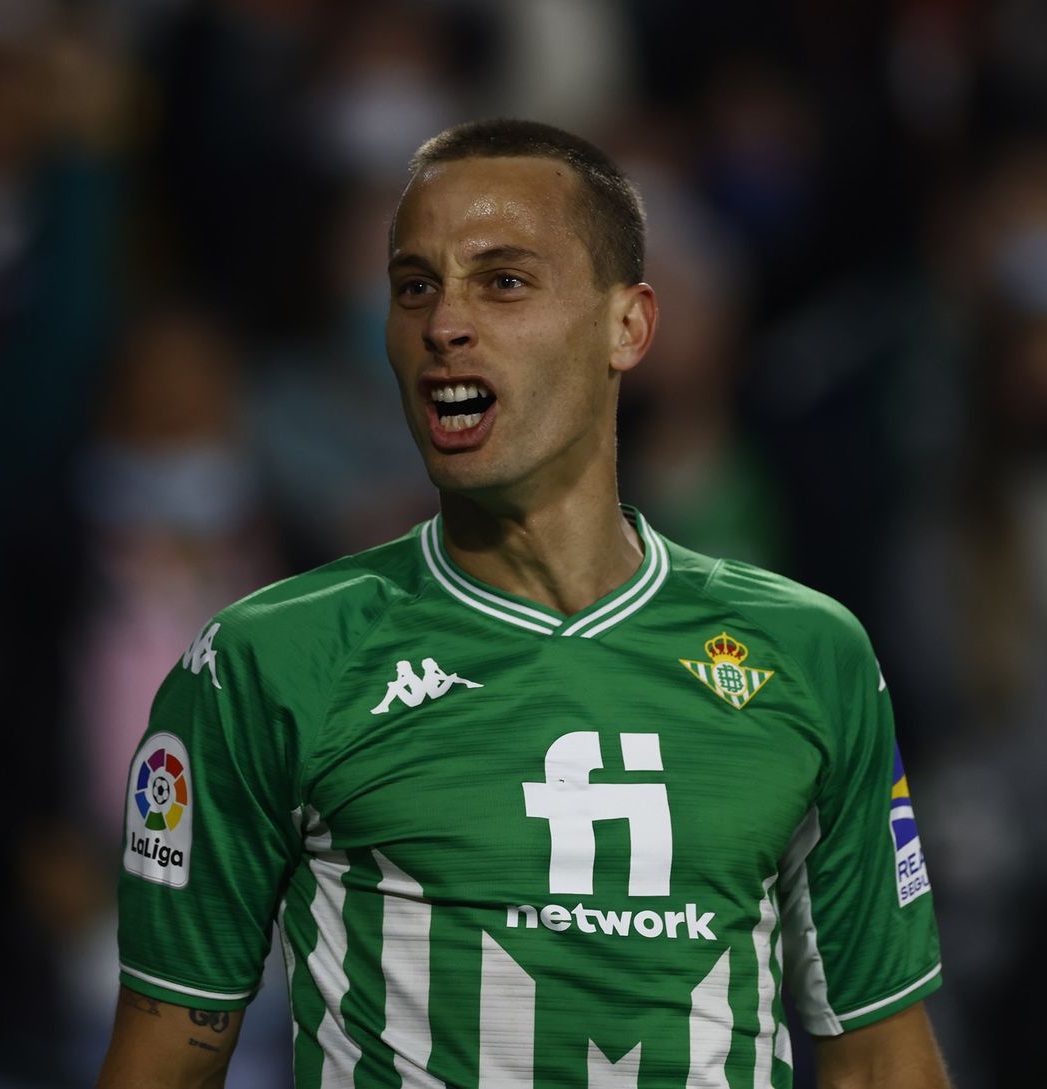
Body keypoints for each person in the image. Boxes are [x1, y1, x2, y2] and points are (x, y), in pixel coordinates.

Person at [97, 120, 947, 1088]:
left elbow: (881, 1063)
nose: (443, 323)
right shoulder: (268, 662)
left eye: (502, 282)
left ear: (627, 325)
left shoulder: (808, 655)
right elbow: (162, 1062)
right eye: (414, 285)